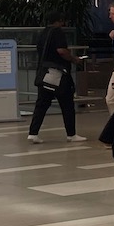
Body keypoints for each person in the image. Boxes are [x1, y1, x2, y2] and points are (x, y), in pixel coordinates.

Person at [28, 14, 84, 144]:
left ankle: (33, 132)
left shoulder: (42, 33)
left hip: (45, 73)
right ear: (60, 21)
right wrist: (74, 59)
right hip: (58, 74)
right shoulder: (57, 32)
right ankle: (71, 134)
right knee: (67, 104)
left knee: (41, 104)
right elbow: (61, 51)